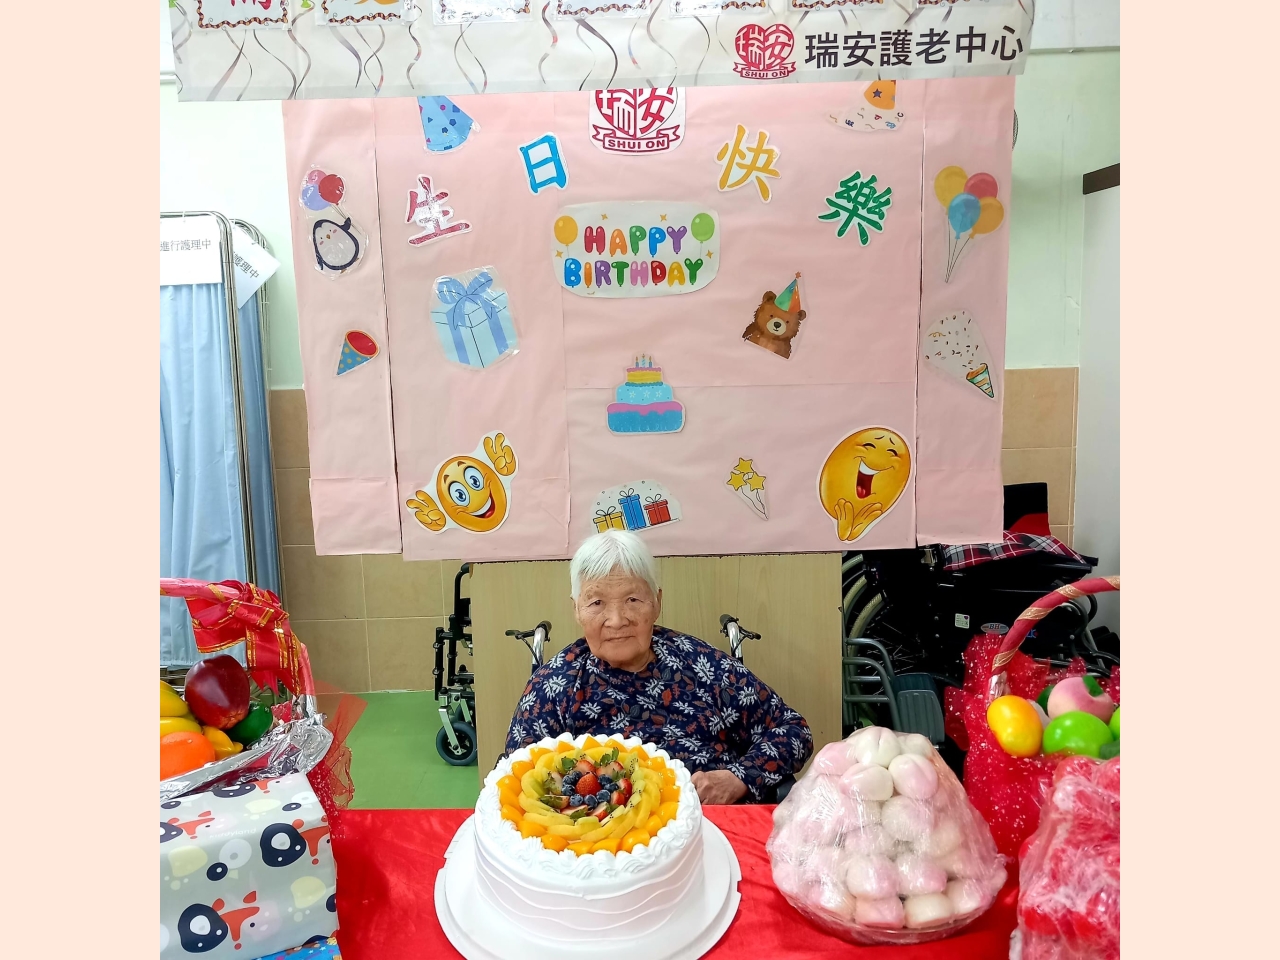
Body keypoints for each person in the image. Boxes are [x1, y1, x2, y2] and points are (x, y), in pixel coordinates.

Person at [503, 530, 813, 804]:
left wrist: (739, 777)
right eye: (596, 603)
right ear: (577, 610)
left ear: (657, 602)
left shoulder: (702, 665)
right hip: (596, 842)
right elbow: (515, 777)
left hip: (710, 828)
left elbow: (792, 730)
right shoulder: (555, 685)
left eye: (633, 600)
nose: (616, 620)